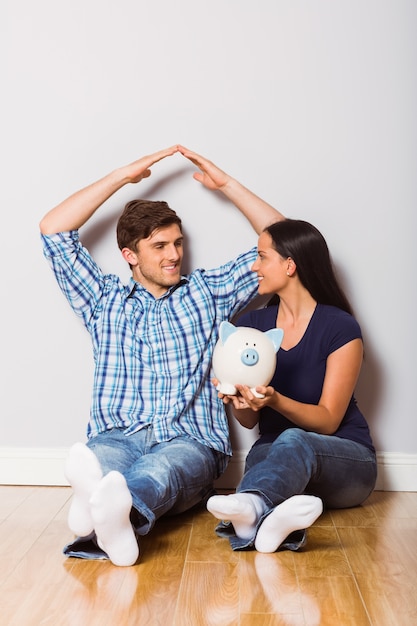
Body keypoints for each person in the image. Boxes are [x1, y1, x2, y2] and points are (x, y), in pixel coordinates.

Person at [39, 144, 285, 566]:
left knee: (158, 473)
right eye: (159, 246)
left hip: (189, 441)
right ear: (130, 256)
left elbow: (284, 240)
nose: (174, 255)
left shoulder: (205, 292)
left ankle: (105, 513)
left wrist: (226, 184)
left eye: (177, 243)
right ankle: (112, 518)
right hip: (117, 434)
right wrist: (121, 176)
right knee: (104, 465)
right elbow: (53, 230)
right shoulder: (103, 299)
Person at [206, 219, 377, 553]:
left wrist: (275, 401)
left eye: (262, 257)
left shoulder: (340, 328)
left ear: (289, 265)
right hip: (276, 458)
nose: (254, 266)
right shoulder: (251, 326)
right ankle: (273, 528)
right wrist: (240, 400)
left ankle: (252, 509)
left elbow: (328, 420)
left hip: (346, 461)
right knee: (263, 456)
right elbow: (250, 421)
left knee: (294, 440)